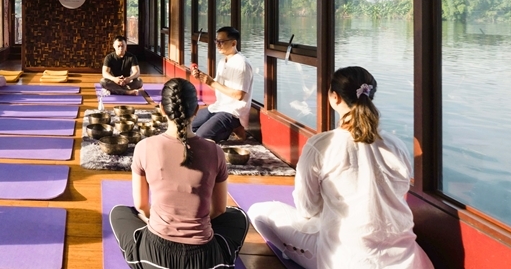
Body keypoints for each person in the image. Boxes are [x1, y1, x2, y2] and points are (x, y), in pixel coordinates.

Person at [247, 67, 434, 269]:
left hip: (346, 259)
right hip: (407, 261)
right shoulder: (396, 145)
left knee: (258, 211)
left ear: (334, 97)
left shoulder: (322, 145)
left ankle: (292, 255)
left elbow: (306, 208)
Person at [109, 78, 249, 269]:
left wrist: (159, 223)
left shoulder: (144, 147)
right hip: (205, 261)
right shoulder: (214, 151)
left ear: (162, 109)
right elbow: (219, 211)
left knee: (119, 213)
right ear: (196, 111)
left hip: (155, 258)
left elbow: (141, 205)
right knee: (238, 216)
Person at [190, 26, 252, 142]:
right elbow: (218, 87)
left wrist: (211, 82)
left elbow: (239, 95)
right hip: (218, 106)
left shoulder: (242, 64)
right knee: (185, 127)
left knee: (200, 138)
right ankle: (229, 129)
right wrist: (203, 78)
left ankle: (234, 127)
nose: (218, 44)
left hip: (233, 112)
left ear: (233, 43)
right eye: (216, 41)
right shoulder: (223, 61)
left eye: (221, 42)